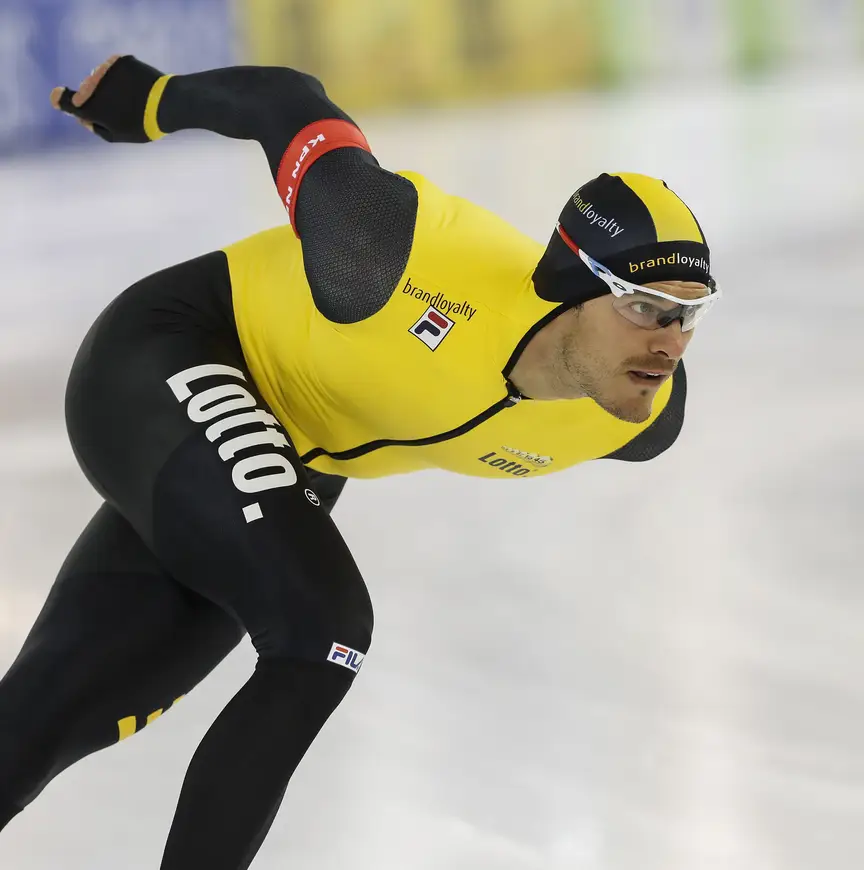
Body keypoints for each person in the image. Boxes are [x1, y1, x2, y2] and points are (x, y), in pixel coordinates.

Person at [0, 55, 721, 869]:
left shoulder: (640, 417)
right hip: (172, 353)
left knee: (52, 709)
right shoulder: (380, 256)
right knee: (322, 629)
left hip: (285, 452)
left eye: (691, 314)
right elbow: (284, 100)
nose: (669, 344)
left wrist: (650, 319)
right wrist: (152, 101)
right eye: (644, 308)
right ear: (570, 286)